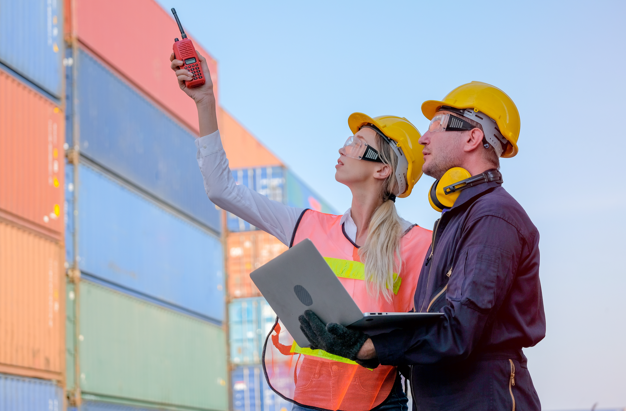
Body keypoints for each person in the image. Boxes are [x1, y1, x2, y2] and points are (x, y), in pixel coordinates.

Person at [170, 53, 433, 410]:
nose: (343, 148)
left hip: (380, 401)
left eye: (357, 143)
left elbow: (431, 335)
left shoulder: (422, 245)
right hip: (310, 398)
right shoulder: (307, 225)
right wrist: (205, 102)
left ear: (383, 170)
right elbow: (222, 189)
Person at [299, 81, 545, 410]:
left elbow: (458, 330)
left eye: (436, 125)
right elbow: (433, 324)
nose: (422, 138)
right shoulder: (457, 219)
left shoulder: (492, 218)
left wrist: (368, 347)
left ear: (472, 137)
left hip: (481, 399)